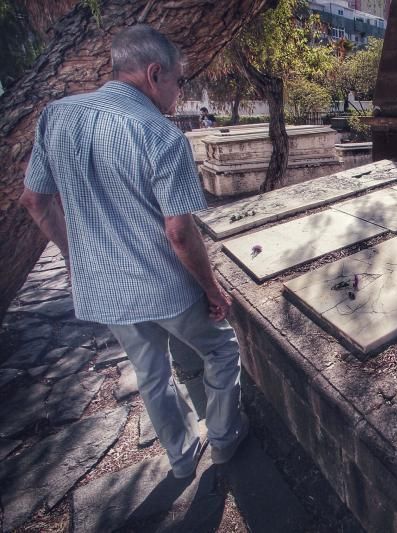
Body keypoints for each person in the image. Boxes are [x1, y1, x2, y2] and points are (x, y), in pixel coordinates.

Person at [20, 24, 247, 480]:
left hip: (106, 289)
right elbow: (179, 233)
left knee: (151, 374)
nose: (180, 92)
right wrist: (213, 290)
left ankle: (182, 458)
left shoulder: (56, 117)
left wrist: (75, 255)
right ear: (154, 73)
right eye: (180, 81)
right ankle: (224, 440)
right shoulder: (160, 136)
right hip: (164, 287)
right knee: (222, 352)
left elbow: (34, 201)